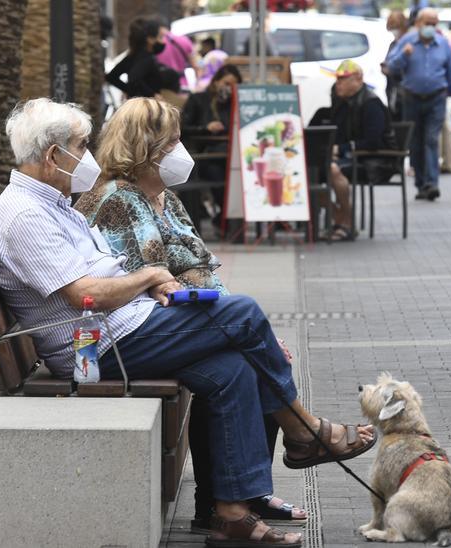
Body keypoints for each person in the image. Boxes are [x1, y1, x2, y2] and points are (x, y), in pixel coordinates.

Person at [0, 97, 375, 546]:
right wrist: (149, 277)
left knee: (233, 371)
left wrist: (152, 286)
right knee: (242, 315)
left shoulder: (50, 203)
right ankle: (303, 430)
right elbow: (84, 294)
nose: (88, 154)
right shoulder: (26, 215)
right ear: (53, 155)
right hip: (96, 347)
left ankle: (230, 514)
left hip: (122, 325)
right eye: (80, 145)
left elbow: (106, 278)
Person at [75, 97, 309, 534]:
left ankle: (230, 503)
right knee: (248, 346)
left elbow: (200, 267)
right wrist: (230, 322)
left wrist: (237, 321)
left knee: (245, 357)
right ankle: (300, 435)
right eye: (173, 141)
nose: (183, 151)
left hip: (170, 322)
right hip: (132, 329)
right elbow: (146, 283)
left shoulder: (165, 197)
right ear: (144, 147)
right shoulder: (116, 200)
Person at [314, 60, 398, 241]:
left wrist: (341, 149)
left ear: (358, 79)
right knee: (306, 174)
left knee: (333, 171)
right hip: (348, 157)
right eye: (337, 80)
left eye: (343, 79)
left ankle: (346, 224)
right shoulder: (340, 102)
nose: (338, 84)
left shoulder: (371, 103)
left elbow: (373, 141)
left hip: (374, 162)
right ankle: (341, 216)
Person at [386, 8, 451, 201]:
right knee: (415, 142)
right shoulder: (407, 42)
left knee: (430, 140)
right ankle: (420, 183)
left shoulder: (443, 44)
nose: (431, 27)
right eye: (428, 23)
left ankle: (431, 183)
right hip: (411, 99)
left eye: (434, 24)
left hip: (436, 99)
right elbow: (390, 66)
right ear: (418, 23)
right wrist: (404, 55)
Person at [181, 65, 243, 231]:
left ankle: (227, 219)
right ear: (216, 82)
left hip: (233, 154)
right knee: (217, 172)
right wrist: (205, 128)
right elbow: (183, 128)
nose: (229, 89)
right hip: (205, 155)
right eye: (226, 83)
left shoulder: (237, 104)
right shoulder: (198, 100)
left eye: (234, 85)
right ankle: (226, 219)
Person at [106, 15, 174, 98]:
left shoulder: (133, 56)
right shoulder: (147, 58)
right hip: (145, 106)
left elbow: (111, 77)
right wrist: (151, 95)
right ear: (150, 39)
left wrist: (130, 91)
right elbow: (133, 78)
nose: (163, 41)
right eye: (160, 37)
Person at [383, 11, 410, 121]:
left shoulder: (409, 44)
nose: (394, 31)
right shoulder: (393, 44)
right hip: (393, 90)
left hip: (405, 92)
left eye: (396, 27)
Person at [155, 22, 198, 91]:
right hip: (182, 85)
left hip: (163, 88)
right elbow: (195, 66)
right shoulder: (184, 40)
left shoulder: (155, 43)